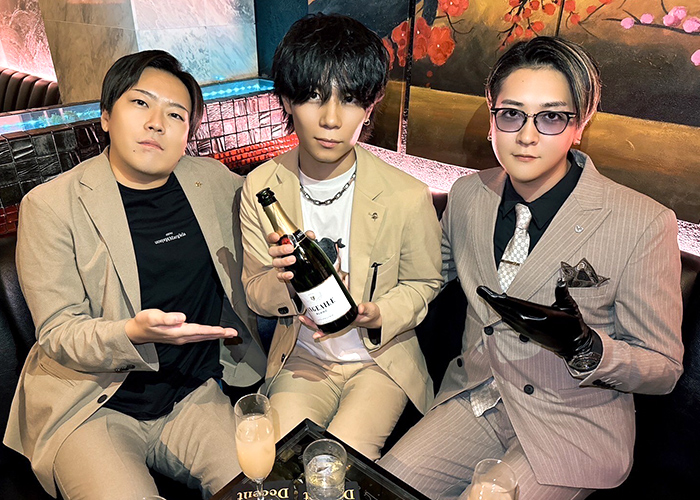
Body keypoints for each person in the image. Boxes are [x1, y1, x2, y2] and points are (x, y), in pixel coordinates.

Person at [380, 36, 684, 499]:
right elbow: (425, 274)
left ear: (579, 125)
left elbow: (664, 368)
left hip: (571, 424)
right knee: (380, 486)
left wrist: (586, 347)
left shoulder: (642, 222)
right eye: (511, 114)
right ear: (491, 119)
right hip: (476, 400)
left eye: (551, 117)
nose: (526, 135)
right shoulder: (467, 195)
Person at [3, 50, 266, 499]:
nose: (156, 123)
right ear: (106, 116)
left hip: (193, 392)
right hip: (90, 404)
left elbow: (274, 219)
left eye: (176, 114)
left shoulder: (216, 182)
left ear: (188, 133)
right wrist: (132, 333)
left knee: (262, 488)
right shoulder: (50, 206)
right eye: (140, 103)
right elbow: (58, 332)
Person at [239, 13, 442, 459]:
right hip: (302, 358)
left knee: (336, 465)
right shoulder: (261, 188)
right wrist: (284, 281)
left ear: (370, 104)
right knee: (282, 460)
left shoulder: (406, 194)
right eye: (313, 96)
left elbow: (425, 283)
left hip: (380, 361)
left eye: (349, 98)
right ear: (287, 99)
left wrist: (375, 313)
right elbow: (256, 291)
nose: (331, 119)